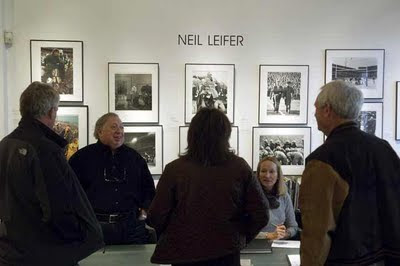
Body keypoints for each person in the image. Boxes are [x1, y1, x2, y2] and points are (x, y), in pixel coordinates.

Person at [147, 108, 269, 266]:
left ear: (192, 135)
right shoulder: (239, 167)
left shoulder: (175, 169)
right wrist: (239, 236)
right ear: (225, 134)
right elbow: (261, 213)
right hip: (226, 253)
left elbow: (156, 216)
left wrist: (177, 234)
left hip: (184, 254)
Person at [0, 82, 104, 266]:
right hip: (45, 252)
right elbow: (58, 207)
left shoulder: (5, 144)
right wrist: (79, 236)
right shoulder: (45, 149)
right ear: (51, 112)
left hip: (12, 250)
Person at [299, 80, 400, 266]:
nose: (314, 114)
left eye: (316, 108)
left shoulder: (323, 159)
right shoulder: (384, 149)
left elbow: (317, 230)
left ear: (327, 110)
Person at [69, 112, 156, 245]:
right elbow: (70, 193)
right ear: (99, 131)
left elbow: (148, 189)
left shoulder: (135, 158)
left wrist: (143, 213)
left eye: (121, 127)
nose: (119, 131)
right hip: (95, 228)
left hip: (131, 229)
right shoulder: (82, 158)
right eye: (114, 127)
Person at [256, 157, 298, 240]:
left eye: (272, 171)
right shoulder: (249, 195)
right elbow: (241, 231)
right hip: (255, 246)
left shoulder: (284, 196)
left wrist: (284, 234)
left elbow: (293, 227)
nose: (267, 175)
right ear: (258, 174)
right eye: (263, 171)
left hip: (277, 245)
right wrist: (267, 235)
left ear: (278, 175)